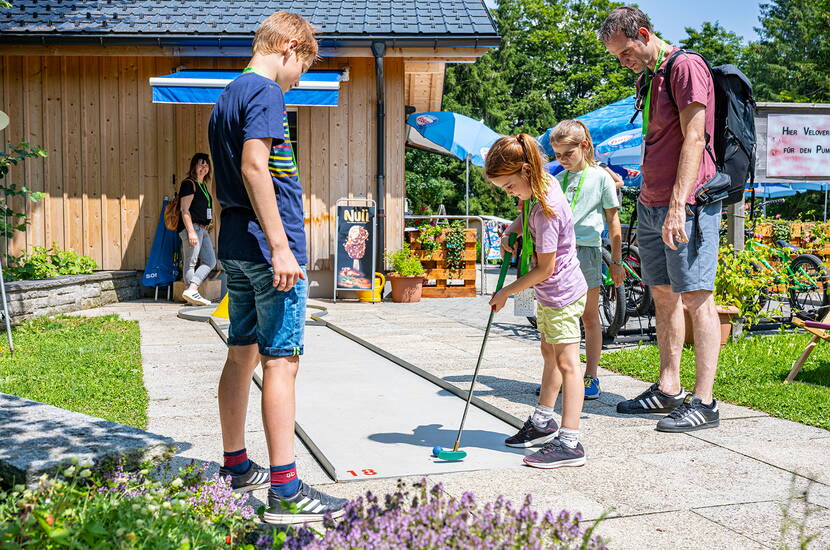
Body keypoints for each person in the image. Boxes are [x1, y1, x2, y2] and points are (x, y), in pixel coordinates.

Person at [208, 11, 347, 524]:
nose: (299, 79)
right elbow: (253, 166)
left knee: (241, 354)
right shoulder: (266, 93)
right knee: (282, 362)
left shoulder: (227, 96)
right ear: (290, 47)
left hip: (236, 248)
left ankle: (236, 466)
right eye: (304, 67)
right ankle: (286, 490)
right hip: (270, 253)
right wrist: (281, 246)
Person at [599, 6, 722, 432]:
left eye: (625, 51)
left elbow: (695, 136)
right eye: (616, 56)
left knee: (697, 297)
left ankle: (704, 402)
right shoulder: (648, 78)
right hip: (651, 203)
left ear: (644, 33)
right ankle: (668, 389)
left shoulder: (685, 67)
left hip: (686, 205)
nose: (622, 61)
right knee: (664, 295)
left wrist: (677, 204)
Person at [486, 134, 588, 469]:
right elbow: (524, 213)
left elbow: (545, 269)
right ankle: (544, 421)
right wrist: (510, 231)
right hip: (549, 293)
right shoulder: (540, 187)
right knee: (549, 352)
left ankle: (571, 442)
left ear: (526, 170)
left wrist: (505, 292)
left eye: (509, 186)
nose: (510, 193)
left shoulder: (547, 209)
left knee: (568, 364)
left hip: (559, 292)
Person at [549, 120, 624, 400]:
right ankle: (557, 374)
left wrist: (616, 262)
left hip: (587, 251)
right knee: (558, 315)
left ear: (584, 146)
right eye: (557, 155)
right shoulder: (559, 179)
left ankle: (591, 376)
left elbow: (613, 222)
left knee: (588, 315)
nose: (563, 160)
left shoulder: (600, 177)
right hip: (559, 252)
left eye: (567, 154)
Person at [178, 153, 217, 306]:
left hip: (203, 229)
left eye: (206, 165)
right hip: (193, 227)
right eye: (200, 164)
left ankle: (191, 291)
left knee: (210, 261)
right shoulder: (189, 183)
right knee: (191, 262)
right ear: (194, 166)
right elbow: (184, 210)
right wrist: (191, 231)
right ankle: (191, 294)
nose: (204, 167)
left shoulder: (203, 186)